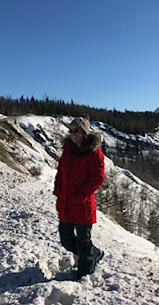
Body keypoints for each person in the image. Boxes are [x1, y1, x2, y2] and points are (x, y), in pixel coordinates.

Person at [53, 115, 105, 279]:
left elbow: (97, 179)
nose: (72, 134)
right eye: (70, 131)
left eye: (76, 131)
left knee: (83, 242)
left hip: (83, 205)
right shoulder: (67, 150)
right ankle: (93, 253)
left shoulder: (94, 153)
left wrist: (81, 195)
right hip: (66, 203)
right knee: (66, 240)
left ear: (84, 132)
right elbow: (61, 173)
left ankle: (85, 274)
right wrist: (58, 190)